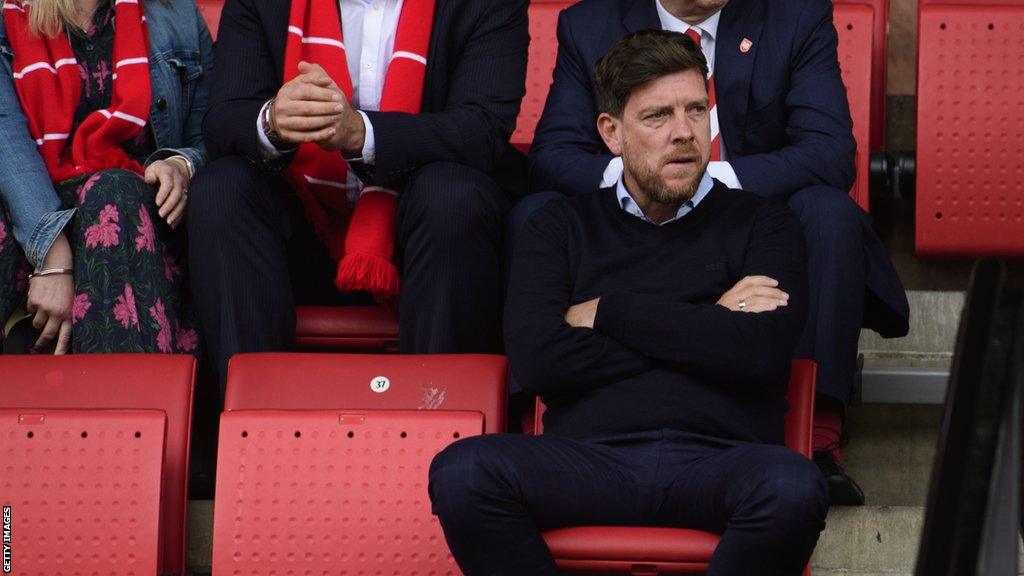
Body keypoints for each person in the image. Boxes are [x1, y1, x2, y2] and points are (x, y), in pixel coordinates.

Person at [430, 30, 827, 576]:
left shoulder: (765, 222)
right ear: (612, 133)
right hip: (590, 460)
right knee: (463, 471)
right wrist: (712, 318)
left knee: (794, 487)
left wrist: (609, 312)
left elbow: (760, 352)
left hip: (721, 460)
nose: (685, 133)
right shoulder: (558, 226)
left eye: (696, 110)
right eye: (658, 116)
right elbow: (540, 359)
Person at [524, 0, 911, 505]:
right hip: (635, 225)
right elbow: (553, 155)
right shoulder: (588, 23)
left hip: (755, 228)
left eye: (693, 111)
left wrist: (709, 181)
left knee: (829, 211)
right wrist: (649, 176)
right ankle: (528, 418)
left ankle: (818, 435)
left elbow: (830, 152)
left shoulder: (793, 16)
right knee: (535, 211)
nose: (683, 125)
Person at [188, 0, 529, 390]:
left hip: (421, 243)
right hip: (300, 238)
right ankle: (251, 417)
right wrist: (273, 121)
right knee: (221, 188)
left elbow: (480, 131)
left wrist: (362, 135)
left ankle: (438, 419)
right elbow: (222, 120)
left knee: (452, 196)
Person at [0, 0, 210, 354]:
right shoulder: (8, 17)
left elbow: (212, 134)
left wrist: (180, 164)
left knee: (111, 193)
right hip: (34, 207)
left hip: (137, 211)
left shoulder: (177, 16)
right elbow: (6, 138)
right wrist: (52, 257)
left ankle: (121, 404)